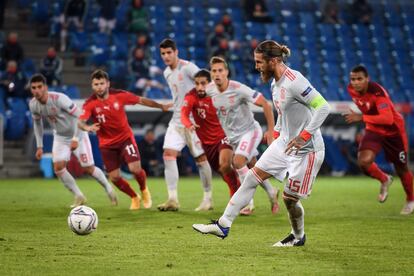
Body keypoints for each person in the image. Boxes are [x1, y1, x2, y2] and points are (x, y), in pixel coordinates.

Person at [193, 40, 330, 247]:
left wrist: (305, 135)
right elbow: (284, 113)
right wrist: (274, 131)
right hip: (285, 143)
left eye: (259, 62)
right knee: (252, 176)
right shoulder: (275, 83)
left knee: (289, 199)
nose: (256, 66)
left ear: (273, 61)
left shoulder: (295, 80)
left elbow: (322, 107)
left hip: (307, 151)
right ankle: (223, 224)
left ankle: (298, 236)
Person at [78, 69, 170, 210]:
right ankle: (134, 197)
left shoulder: (119, 95)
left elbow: (141, 100)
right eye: (96, 84)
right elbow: (80, 122)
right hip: (106, 144)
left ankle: (144, 190)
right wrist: (87, 128)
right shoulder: (90, 103)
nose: (99, 87)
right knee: (114, 177)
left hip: (125, 139)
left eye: (102, 83)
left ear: (108, 84)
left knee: (135, 169)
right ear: (92, 86)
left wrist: (160, 106)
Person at [29, 73, 117, 207]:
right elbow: (37, 124)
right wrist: (39, 146)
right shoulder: (33, 104)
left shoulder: (60, 99)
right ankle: (79, 196)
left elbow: (81, 116)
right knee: (58, 168)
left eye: (39, 87)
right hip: (60, 137)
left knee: (88, 169)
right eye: (33, 88)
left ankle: (108, 187)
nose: (36, 90)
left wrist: (76, 138)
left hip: (79, 134)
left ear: (45, 87)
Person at [205, 56, 280, 215]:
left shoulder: (239, 89)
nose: (217, 74)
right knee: (253, 166)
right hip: (232, 137)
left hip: (250, 132)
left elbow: (265, 104)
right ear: (210, 73)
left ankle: (247, 203)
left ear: (226, 72)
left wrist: (271, 130)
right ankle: (272, 192)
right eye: (214, 71)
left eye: (220, 70)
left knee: (238, 162)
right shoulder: (209, 89)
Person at [344, 65, 414, 215]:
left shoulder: (377, 92)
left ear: (367, 79)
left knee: (401, 169)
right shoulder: (350, 89)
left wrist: (361, 117)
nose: (355, 82)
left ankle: (410, 199)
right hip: (374, 129)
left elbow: (388, 119)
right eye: (353, 79)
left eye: (359, 79)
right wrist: (365, 118)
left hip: (394, 131)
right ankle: (384, 179)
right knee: (363, 162)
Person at [158, 38, 213, 212]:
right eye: (163, 54)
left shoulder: (188, 68)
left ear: (176, 52)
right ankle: (172, 199)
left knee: (201, 159)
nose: (166, 56)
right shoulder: (166, 72)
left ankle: (208, 198)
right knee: (168, 153)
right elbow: (179, 94)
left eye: (169, 53)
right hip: (176, 119)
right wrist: (172, 103)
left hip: (194, 122)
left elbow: (206, 84)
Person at [181, 69, 240, 199]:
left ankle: (241, 198)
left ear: (210, 83)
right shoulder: (191, 96)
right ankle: (240, 191)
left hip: (224, 136)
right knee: (221, 171)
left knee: (226, 165)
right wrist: (189, 124)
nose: (199, 87)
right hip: (207, 143)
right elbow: (183, 115)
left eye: (203, 83)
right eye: (197, 84)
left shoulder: (219, 94)